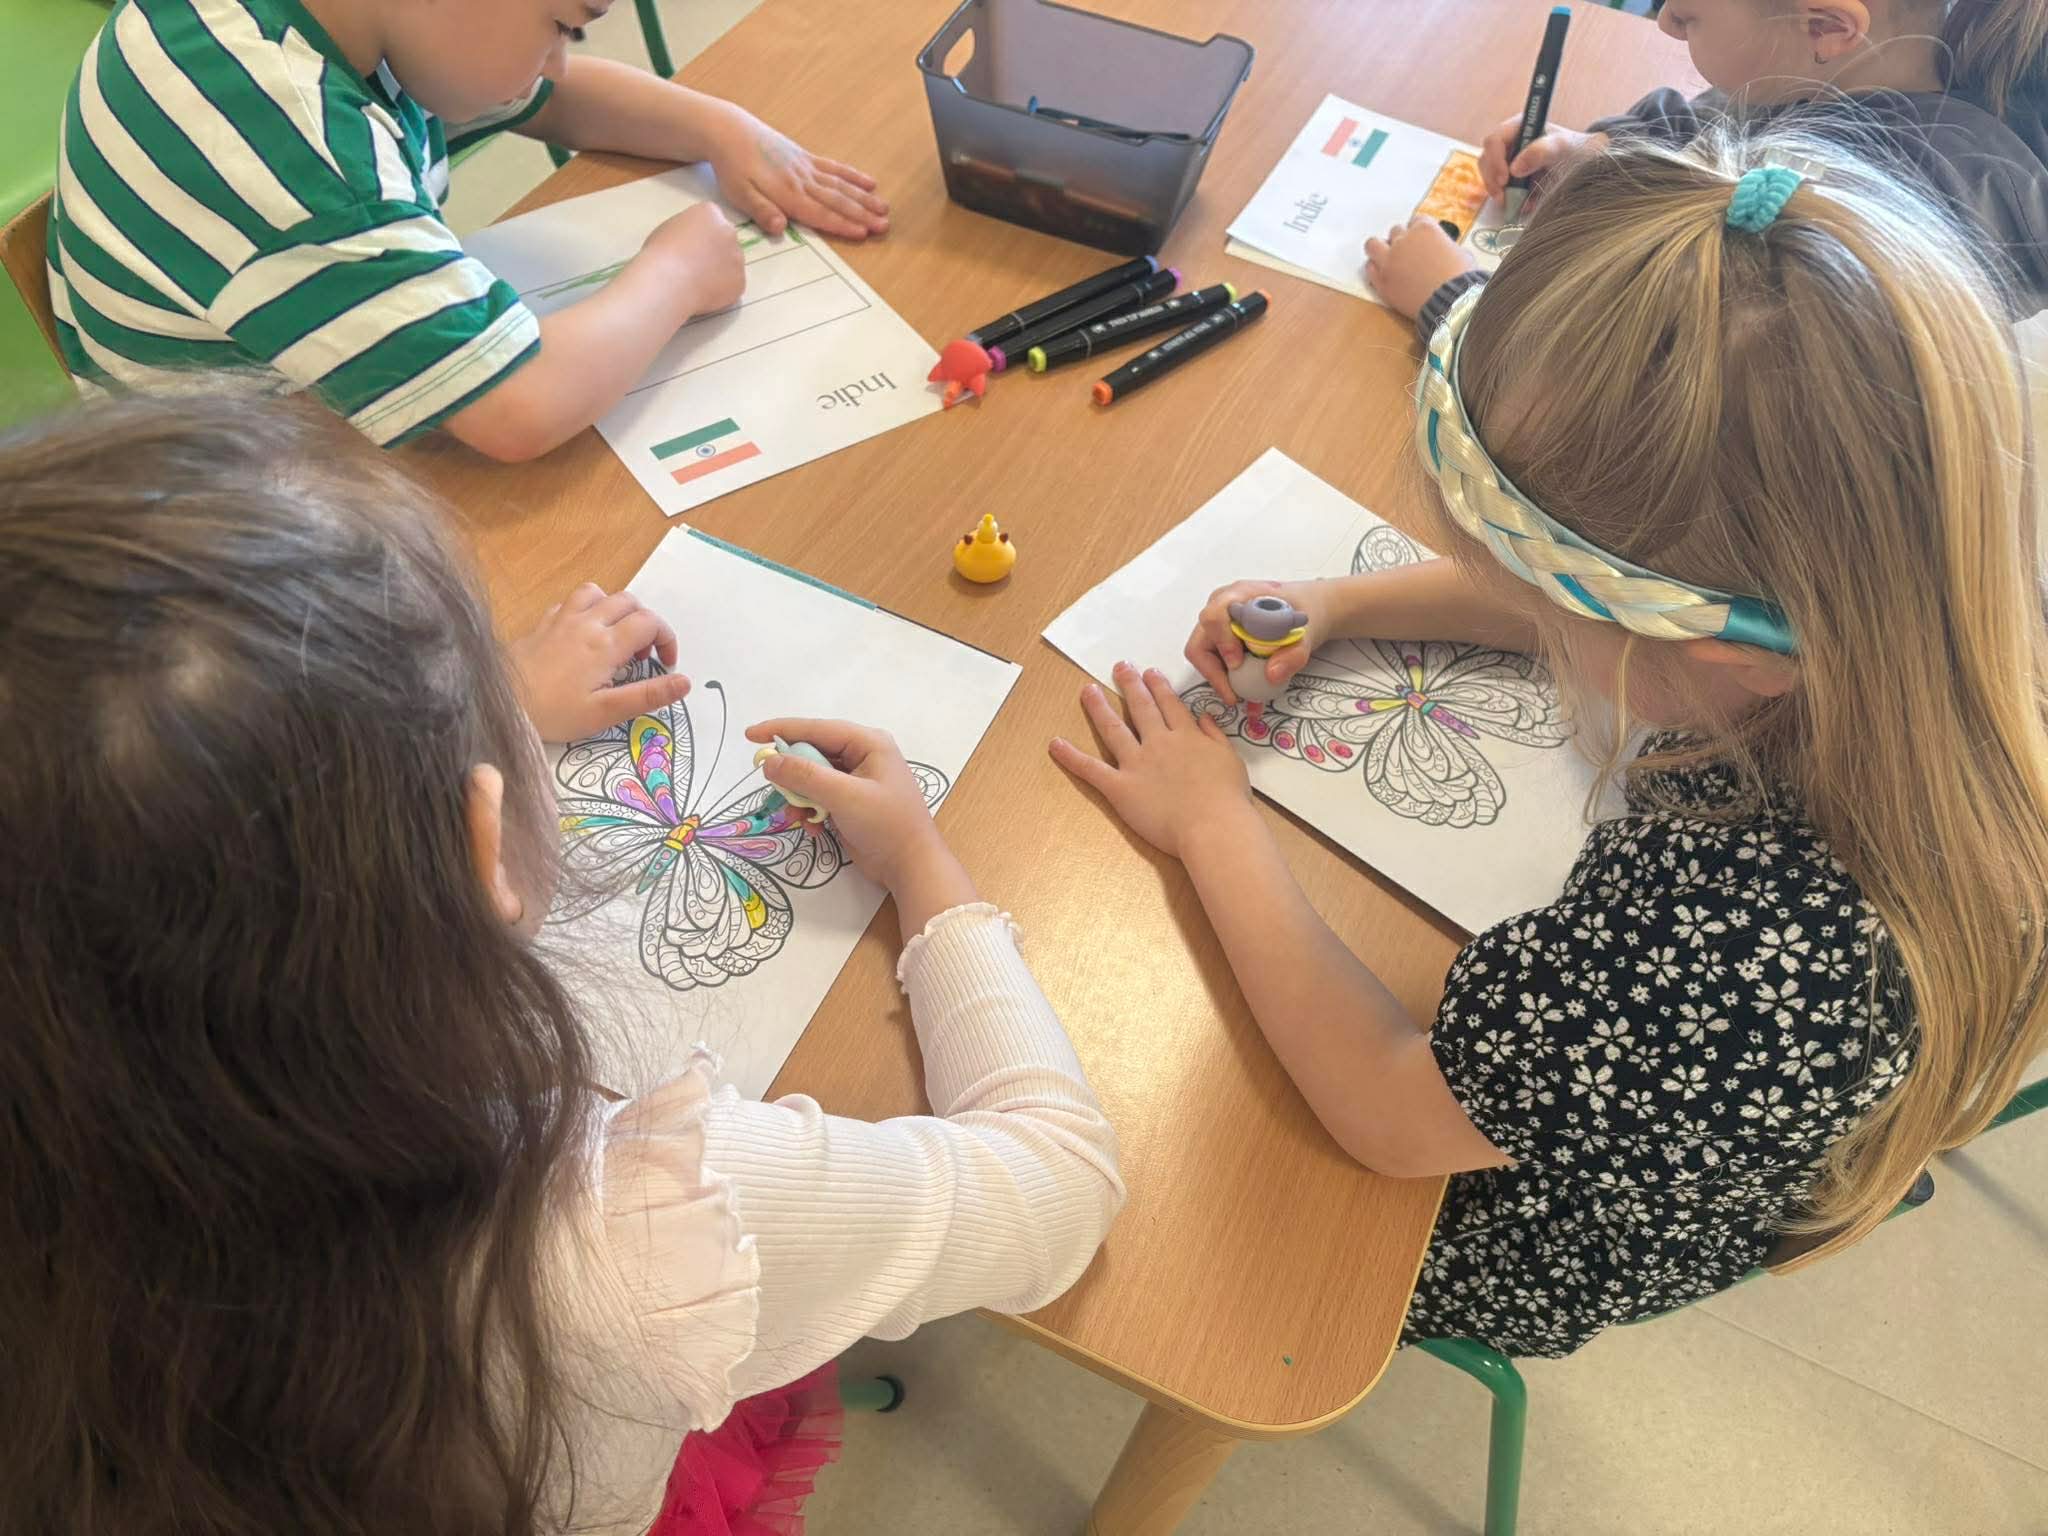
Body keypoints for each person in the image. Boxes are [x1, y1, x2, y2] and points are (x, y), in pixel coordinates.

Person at [0, 395, 1122, 1531]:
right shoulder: (631, 1226)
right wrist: (926, 869)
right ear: (479, 846)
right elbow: (1060, 1190)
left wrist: (450, 727)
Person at [1054, 129, 2048, 1357]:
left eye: (1533, 593)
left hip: (1497, 1220)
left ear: (1721, 647)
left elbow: (1386, 1110)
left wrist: (1211, 820)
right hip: (1609, 1075)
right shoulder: (1915, 600)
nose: (1517, 605)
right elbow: (1612, 603)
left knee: (1146, 1165)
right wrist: (1342, 603)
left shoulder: (1730, 958)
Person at [47, 0, 889, 459]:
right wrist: (678, 271)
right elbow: (518, 407)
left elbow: (549, 98)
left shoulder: (351, 26)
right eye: (563, 25)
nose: (558, 59)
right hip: (238, 552)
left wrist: (720, 127)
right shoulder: (304, 151)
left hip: (285, 449)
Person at [1367, 0, 2048, 329]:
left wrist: (1457, 303)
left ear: (1826, 27)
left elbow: (1659, 398)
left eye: (1689, 16)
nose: (1664, 20)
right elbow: (1735, 112)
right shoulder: (1882, 59)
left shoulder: (1878, 238)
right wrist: (1606, 149)